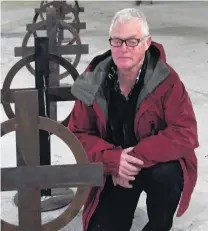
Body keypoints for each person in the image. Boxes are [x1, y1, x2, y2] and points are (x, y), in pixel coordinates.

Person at [68, 8, 199, 231]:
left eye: (132, 41)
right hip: (112, 168)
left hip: (153, 163)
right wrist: (114, 160)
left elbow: (185, 132)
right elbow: (76, 133)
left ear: (147, 43)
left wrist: (133, 158)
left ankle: (158, 225)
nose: (123, 49)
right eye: (117, 41)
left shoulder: (167, 80)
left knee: (167, 176)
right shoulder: (93, 79)